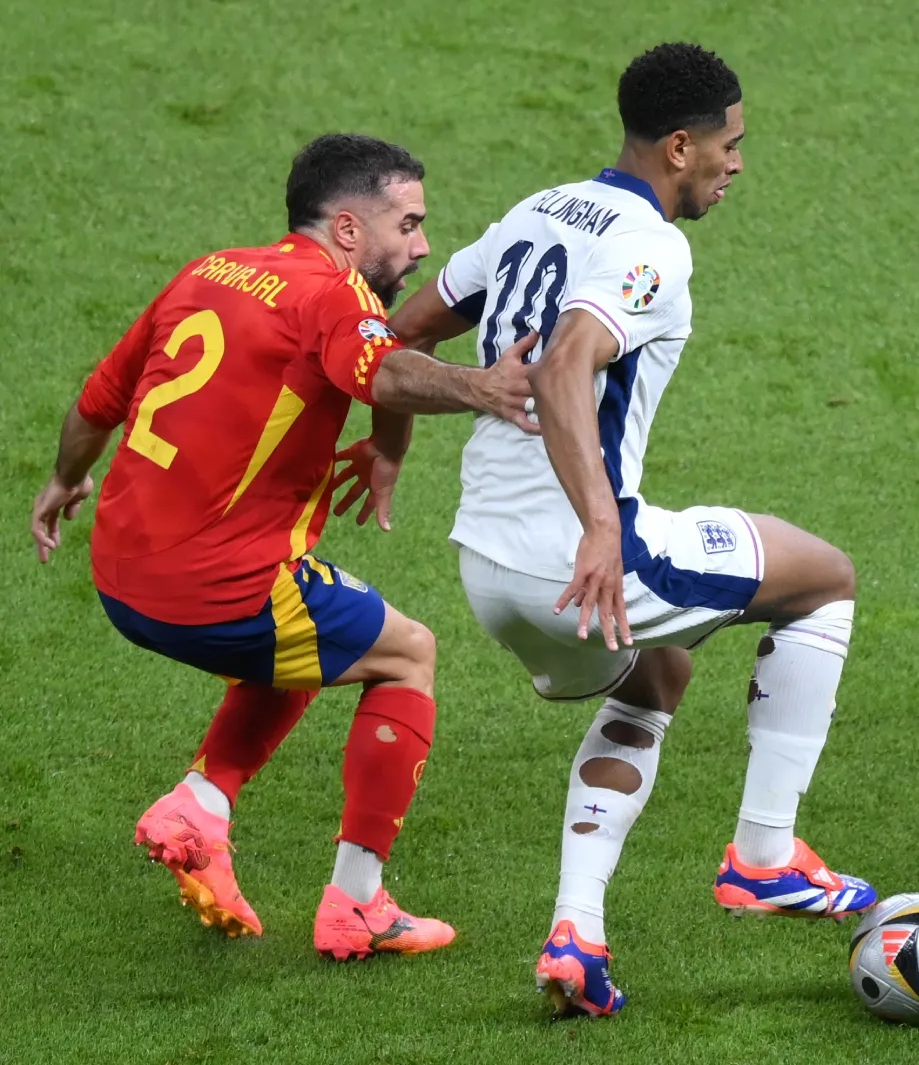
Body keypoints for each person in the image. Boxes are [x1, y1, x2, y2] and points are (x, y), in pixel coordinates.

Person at [383, 42, 875, 1017]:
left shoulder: (538, 209)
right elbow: (569, 365)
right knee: (825, 579)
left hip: (486, 570)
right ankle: (764, 857)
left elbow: (397, 335)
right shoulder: (653, 246)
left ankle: (578, 935)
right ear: (681, 146)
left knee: (662, 674)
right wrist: (603, 531)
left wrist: (388, 449)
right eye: (729, 146)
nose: (736, 164)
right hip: (582, 560)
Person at [28, 133, 540, 960]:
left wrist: (61, 482)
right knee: (407, 654)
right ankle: (358, 905)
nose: (421, 247)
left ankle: (203, 802)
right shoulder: (335, 300)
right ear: (346, 228)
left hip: (120, 575)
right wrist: (480, 388)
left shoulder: (209, 271)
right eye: (407, 225)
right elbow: (388, 370)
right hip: (213, 590)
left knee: (322, 628)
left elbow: (99, 402)